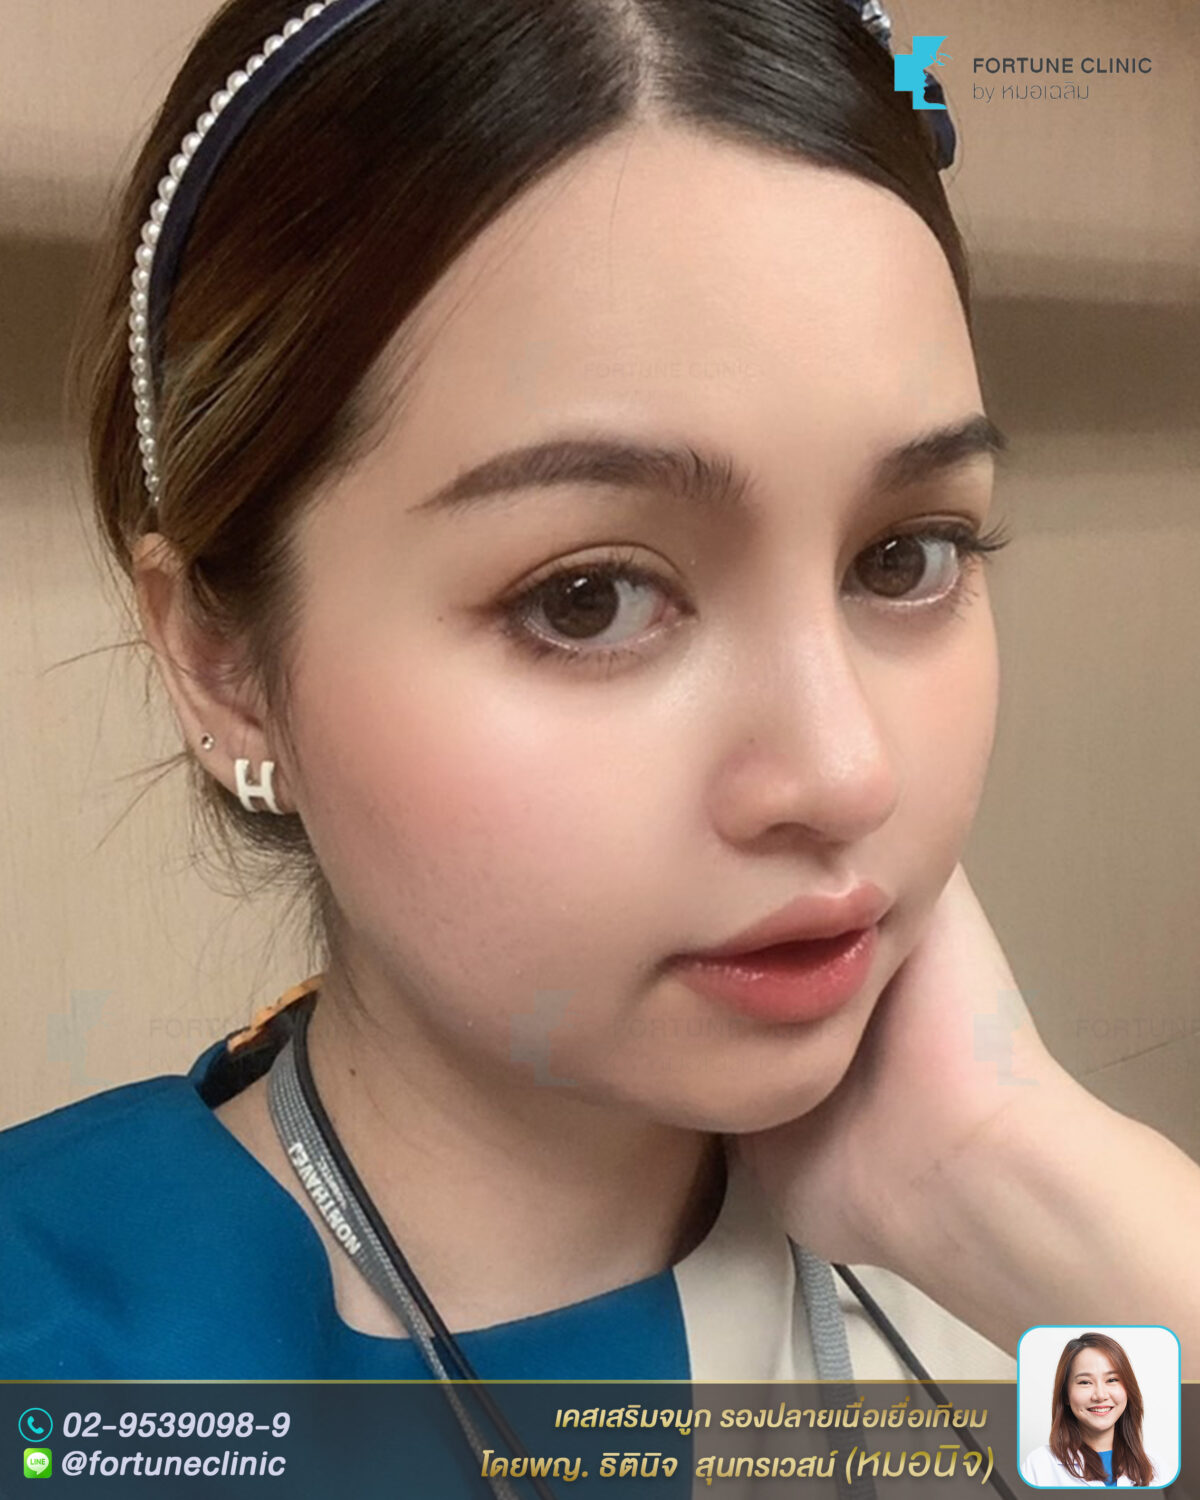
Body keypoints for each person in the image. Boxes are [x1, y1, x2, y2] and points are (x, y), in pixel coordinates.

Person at [3, 0, 1199, 1401]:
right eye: (589, 598)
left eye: (904, 557)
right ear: (222, 662)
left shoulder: (1053, 1305)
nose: (843, 772)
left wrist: (1017, 1185)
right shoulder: (58, 1361)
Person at [1021, 1333, 1176, 1489]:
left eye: (1112, 1380)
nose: (1100, 1395)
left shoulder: (1158, 1470)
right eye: (1085, 1382)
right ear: (1065, 1395)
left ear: (1128, 1389)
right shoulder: (1039, 1466)